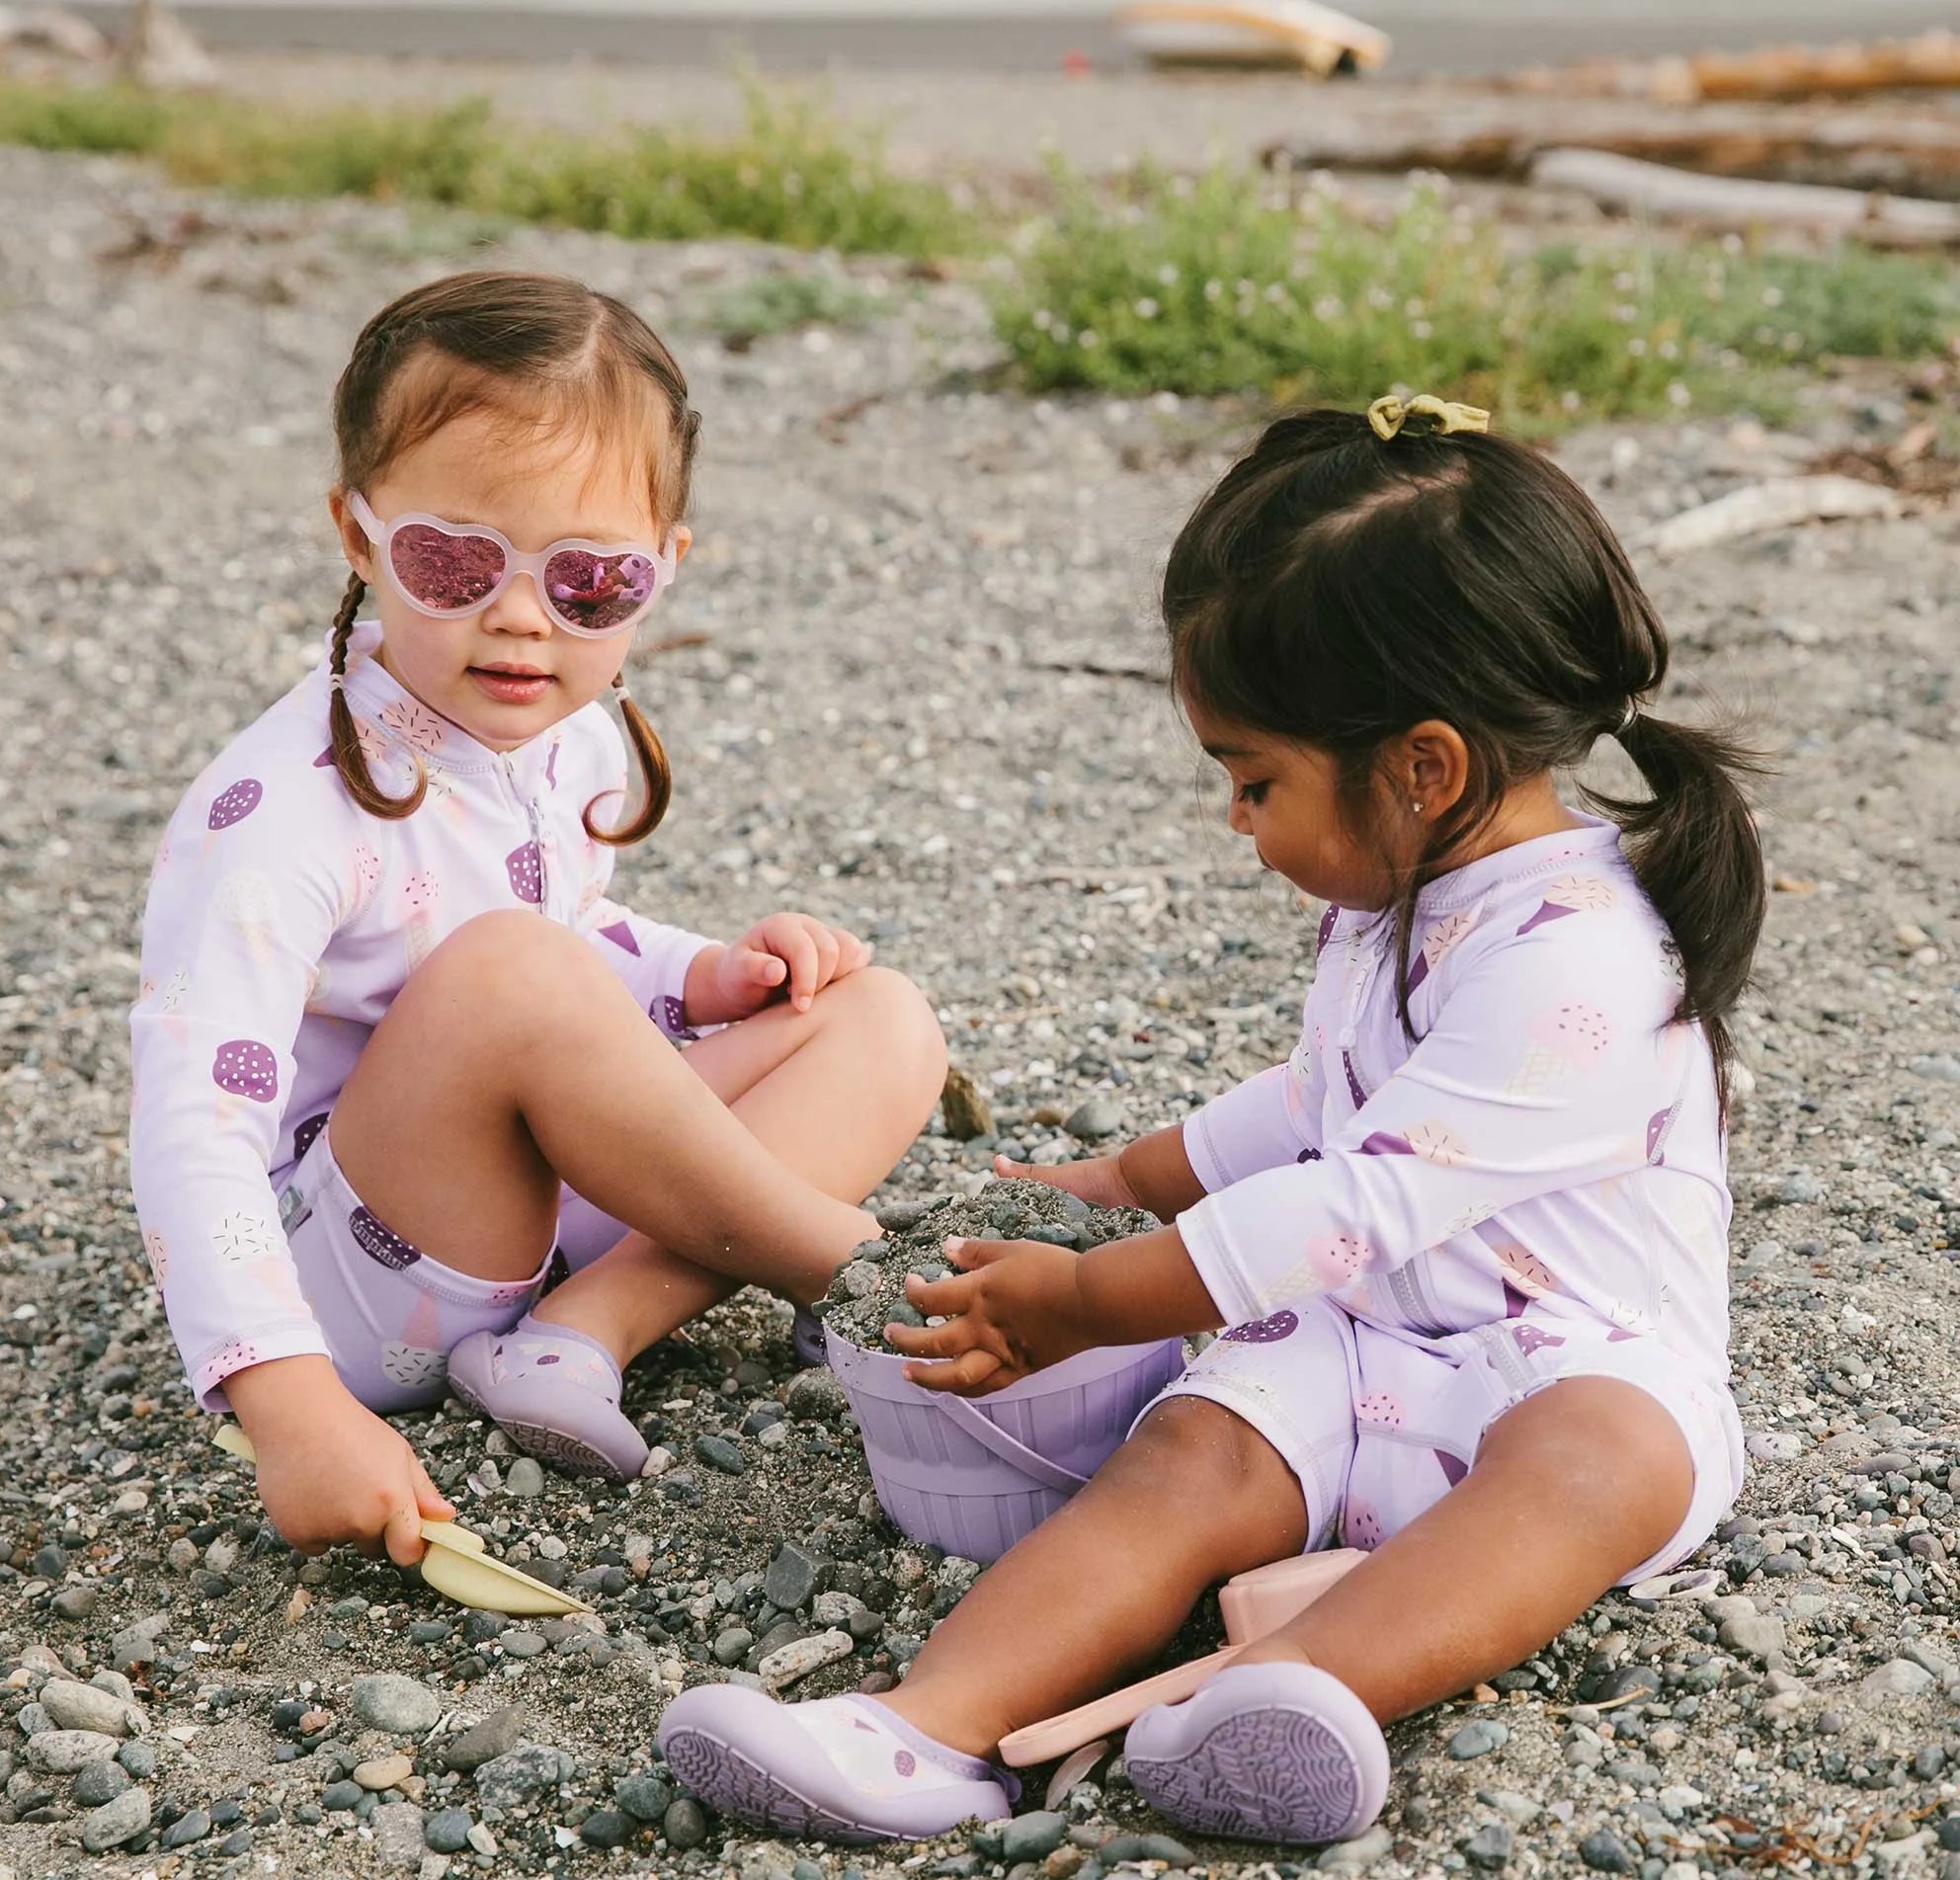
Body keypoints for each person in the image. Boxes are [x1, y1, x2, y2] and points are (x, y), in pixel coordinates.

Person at [657, 394, 1766, 1847]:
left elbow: (1357, 1196)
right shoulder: (1404, 893)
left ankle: (1294, 1693)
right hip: (1368, 1345)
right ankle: (926, 1727)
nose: (1239, 822)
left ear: (1423, 768)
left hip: (1577, 1371)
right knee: (1191, 1454)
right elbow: (1319, 1101)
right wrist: (1123, 1180)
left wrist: (1090, 1296)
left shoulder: (1583, 963)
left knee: (1597, 1464)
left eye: (1258, 782)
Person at [129, 271, 945, 1565]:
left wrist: (700, 977)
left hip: (537, 1218)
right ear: (357, 532)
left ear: (662, 570)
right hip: (356, 1276)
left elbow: (571, 937)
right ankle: (869, 1281)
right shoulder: (280, 815)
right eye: (453, 561)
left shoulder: (571, 733)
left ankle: (585, 1336)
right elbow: (192, 1113)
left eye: (591, 583)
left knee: (882, 1019)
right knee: (511, 970)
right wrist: (281, 1399)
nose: (520, 618)